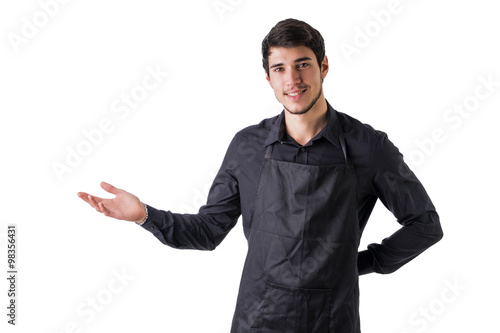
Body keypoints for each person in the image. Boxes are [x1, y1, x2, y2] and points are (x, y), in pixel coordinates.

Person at [78, 18, 443, 332]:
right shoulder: (247, 147)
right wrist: (143, 214)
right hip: (258, 319)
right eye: (280, 69)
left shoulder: (368, 147)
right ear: (267, 77)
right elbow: (208, 232)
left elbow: (424, 225)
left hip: (331, 320)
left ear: (324, 67)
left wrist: (361, 263)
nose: (293, 80)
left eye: (303, 64)